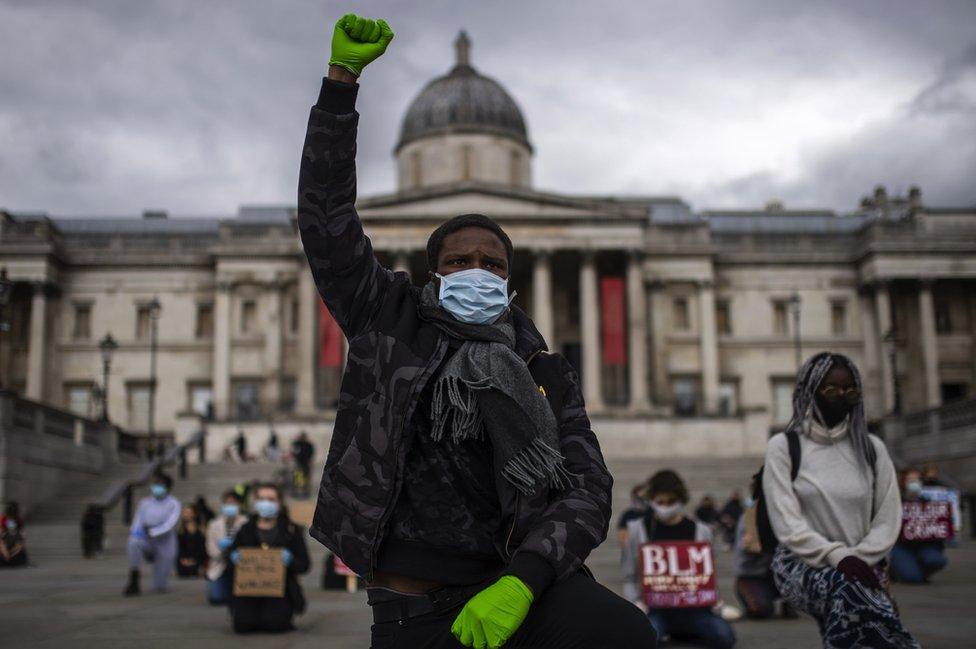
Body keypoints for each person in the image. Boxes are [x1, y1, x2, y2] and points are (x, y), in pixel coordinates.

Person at [297, 14, 655, 649]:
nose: (476, 271)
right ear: (433, 271)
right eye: (459, 260)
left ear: (512, 278)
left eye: (493, 262)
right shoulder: (389, 321)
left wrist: (526, 578)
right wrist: (340, 87)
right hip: (413, 601)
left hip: (511, 584)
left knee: (627, 633)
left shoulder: (541, 366)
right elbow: (328, 224)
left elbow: (589, 484)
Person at [763, 352, 918, 648]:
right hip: (801, 563)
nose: (841, 397)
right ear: (811, 392)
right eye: (830, 389)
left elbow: (887, 518)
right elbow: (787, 524)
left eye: (850, 390)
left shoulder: (872, 448)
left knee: (850, 603)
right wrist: (839, 557)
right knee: (848, 590)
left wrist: (859, 557)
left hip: (864, 563)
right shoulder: (784, 447)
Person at [622, 470, 736, 648]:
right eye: (660, 502)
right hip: (655, 610)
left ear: (680, 499)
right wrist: (635, 605)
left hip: (694, 609)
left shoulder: (701, 530)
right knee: (643, 640)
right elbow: (629, 575)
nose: (665, 507)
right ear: (652, 500)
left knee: (724, 636)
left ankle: (679, 634)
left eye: (671, 502)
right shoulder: (638, 530)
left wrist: (714, 598)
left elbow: (707, 573)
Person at [227, 483, 310, 633]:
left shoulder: (291, 530)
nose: (266, 503)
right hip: (249, 591)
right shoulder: (245, 529)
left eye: (271, 499)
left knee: (274, 624)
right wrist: (233, 558)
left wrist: (290, 561)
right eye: (261, 499)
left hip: (280, 592)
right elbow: (230, 560)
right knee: (243, 626)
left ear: (279, 503)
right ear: (255, 501)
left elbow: (304, 564)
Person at [124, 472, 180, 595]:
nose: (157, 487)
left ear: (167, 487)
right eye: (155, 484)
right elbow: (137, 521)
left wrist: (154, 532)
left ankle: (161, 580)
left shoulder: (174, 503)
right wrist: (136, 533)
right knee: (133, 543)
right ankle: (134, 575)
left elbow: (170, 524)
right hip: (147, 540)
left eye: (160, 485)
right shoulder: (145, 503)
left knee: (159, 587)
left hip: (165, 543)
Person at [890, 468, 948, 584]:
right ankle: (896, 570)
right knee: (913, 579)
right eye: (910, 480)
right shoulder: (895, 503)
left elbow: (938, 527)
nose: (914, 483)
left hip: (925, 545)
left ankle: (916, 569)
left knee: (937, 560)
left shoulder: (930, 504)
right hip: (902, 547)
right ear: (903, 483)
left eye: (917, 480)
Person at [206, 490, 248, 605]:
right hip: (220, 563)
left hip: (241, 564)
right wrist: (225, 552)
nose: (230, 506)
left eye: (233, 503)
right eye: (227, 503)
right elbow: (210, 548)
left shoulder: (246, 522)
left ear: (239, 504)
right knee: (217, 598)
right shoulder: (213, 524)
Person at [176, 503, 208, 577]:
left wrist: (195, 560)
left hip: (198, 559)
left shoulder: (202, 529)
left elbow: (202, 547)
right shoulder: (180, 530)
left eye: (189, 512)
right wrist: (184, 559)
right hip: (184, 559)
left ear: (194, 514)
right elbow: (180, 547)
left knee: (196, 569)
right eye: (185, 512)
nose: (186, 515)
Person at [617, 484, 649, 549]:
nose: (641, 501)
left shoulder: (652, 513)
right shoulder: (628, 515)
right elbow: (622, 537)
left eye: (644, 498)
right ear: (633, 498)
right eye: (638, 498)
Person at [289, 432, 314, 499]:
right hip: (299, 463)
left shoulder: (308, 445)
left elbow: (311, 453)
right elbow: (293, 451)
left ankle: (305, 492)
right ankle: (296, 492)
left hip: (305, 463)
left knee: (305, 477)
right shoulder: (297, 443)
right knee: (297, 477)